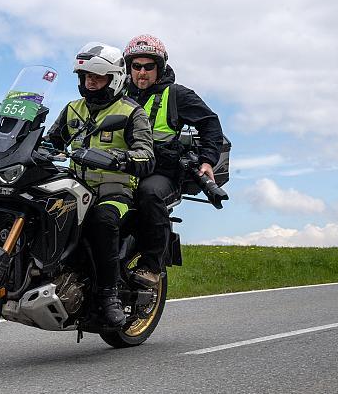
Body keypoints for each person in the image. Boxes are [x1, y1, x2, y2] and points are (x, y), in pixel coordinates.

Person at [47, 42, 154, 327]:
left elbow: (146, 154)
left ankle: (110, 295)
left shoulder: (132, 113)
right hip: (74, 188)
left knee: (102, 220)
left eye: (97, 77)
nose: (90, 82)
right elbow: (50, 142)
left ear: (115, 78)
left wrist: (119, 159)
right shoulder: (72, 109)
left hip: (115, 193)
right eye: (85, 77)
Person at [123, 34, 223, 287]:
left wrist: (207, 160)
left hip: (161, 172)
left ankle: (152, 267)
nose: (142, 73)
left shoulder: (176, 95)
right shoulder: (118, 93)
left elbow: (210, 122)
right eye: (136, 66)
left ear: (160, 67)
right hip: (122, 168)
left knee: (150, 194)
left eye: (148, 66)